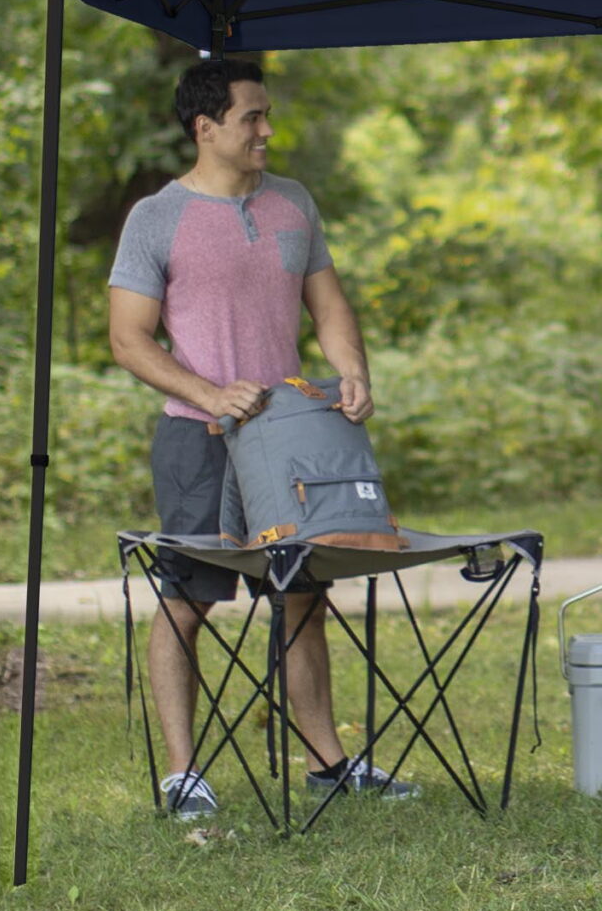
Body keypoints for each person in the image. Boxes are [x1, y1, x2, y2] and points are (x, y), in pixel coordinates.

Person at [106, 57, 415, 820]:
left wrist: (352, 373)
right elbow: (127, 339)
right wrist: (209, 392)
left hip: (289, 441)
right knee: (187, 600)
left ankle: (327, 764)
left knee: (302, 596)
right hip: (198, 440)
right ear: (205, 128)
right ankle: (183, 775)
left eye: (267, 115)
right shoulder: (156, 217)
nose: (267, 131)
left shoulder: (293, 203)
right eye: (252, 118)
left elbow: (330, 304)